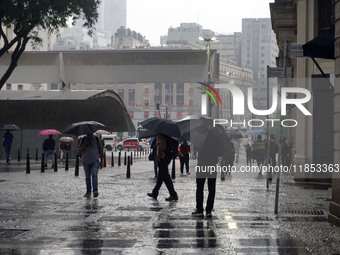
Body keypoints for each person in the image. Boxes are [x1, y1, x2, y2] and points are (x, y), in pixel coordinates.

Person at [192, 127, 220, 218]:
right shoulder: (216, 138)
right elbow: (220, 152)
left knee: (200, 187)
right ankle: (208, 211)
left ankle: (199, 210)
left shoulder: (200, 137)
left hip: (202, 164)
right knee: (212, 189)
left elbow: (195, 147)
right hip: (212, 165)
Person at [147, 134, 178, 201]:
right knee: (161, 177)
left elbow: (160, 147)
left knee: (165, 177)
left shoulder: (160, 136)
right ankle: (155, 192)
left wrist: (158, 156)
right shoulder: (166, 136)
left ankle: (173, 194)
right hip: (167, 157)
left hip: (162, 157)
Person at [79, 133, 103, 198]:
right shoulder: (83, 139)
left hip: (94, 160)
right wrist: (84, 144)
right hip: (86, 160)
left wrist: (101, 161)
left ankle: (95, 191)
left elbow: (100, 149)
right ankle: (88, 191)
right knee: (87, 177)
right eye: (88, 133)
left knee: (94, 174)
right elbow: (80, 150)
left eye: (90, 133)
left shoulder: (96, 139)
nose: (89, 135)